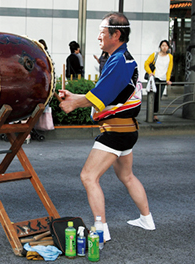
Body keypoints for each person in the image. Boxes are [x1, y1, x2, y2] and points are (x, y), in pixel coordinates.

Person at [58, 12, 155, 243]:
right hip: (127, 130)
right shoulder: (120, 58)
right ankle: (147, 219)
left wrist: (73, 103)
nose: (98, 36)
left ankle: (101, 229)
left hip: (115, 131)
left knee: (88, 176)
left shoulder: (120, 60)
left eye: (102, 32)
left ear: (116, 34)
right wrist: (76, 96)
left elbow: (100, 96)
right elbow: (105, 95)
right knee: (127, 175)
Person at [144, 40, 173, 122]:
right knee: (153, 97)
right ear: (160, 46)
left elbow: (169, 68)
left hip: (163, 79)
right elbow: (146, 63)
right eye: (163, 45)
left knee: (158, 98)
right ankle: (151, 115)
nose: (164, 47)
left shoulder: (170, 57)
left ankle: (154, 114)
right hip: (155, 78)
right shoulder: (155, 54)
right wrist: (150, 73)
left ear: (168, 47)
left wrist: (168, 80)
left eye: (166, 46)